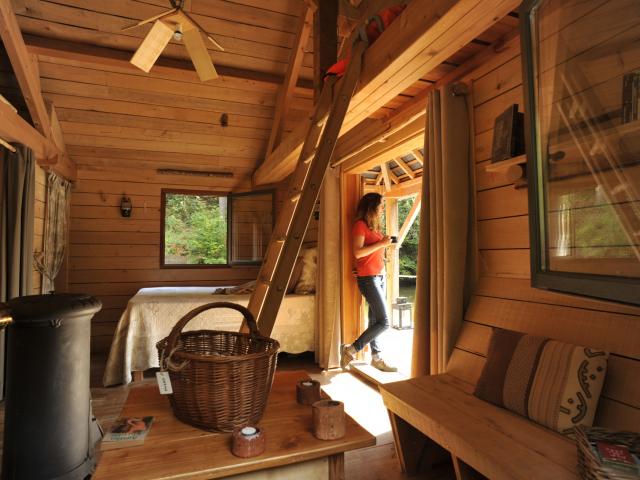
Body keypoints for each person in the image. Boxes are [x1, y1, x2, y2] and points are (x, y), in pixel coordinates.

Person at [341, 193, 397, 372]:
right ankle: (351, 349)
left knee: (375, 322)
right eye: (380, 206)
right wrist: (381, 244)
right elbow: (357, 252)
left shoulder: (373, 227)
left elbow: (370, 253)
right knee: (384, 322)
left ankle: (376, 358)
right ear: (371, 207)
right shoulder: (360, 225)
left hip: (379, 277)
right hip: (368, 279)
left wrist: (384, 245)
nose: (382, 209)